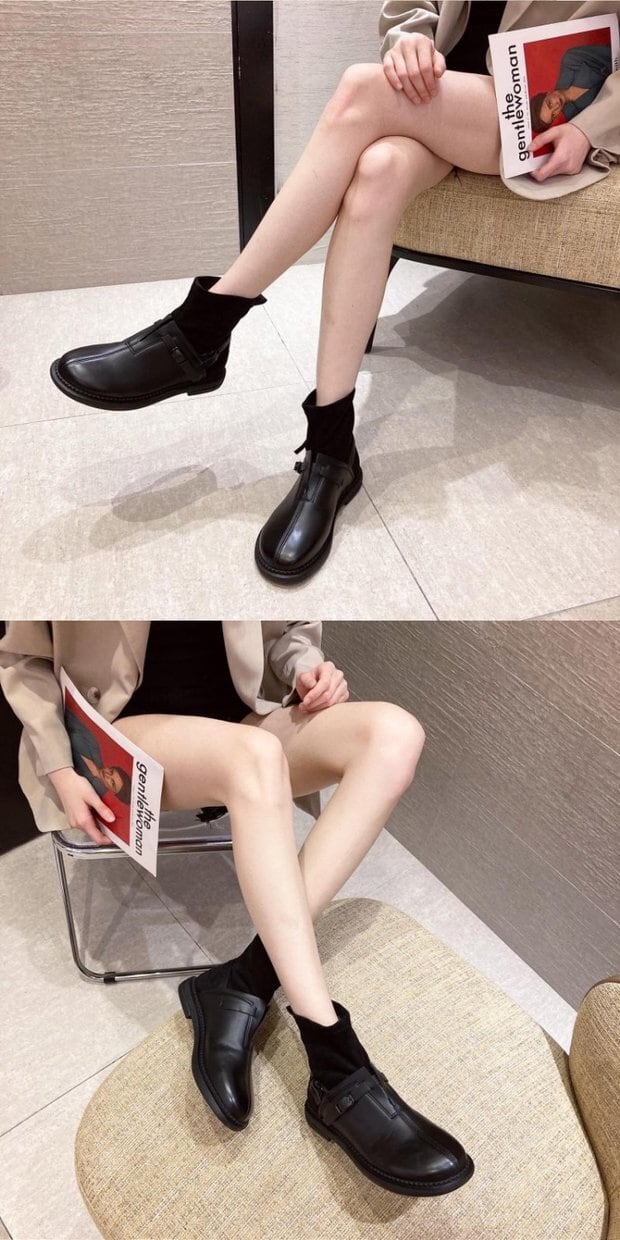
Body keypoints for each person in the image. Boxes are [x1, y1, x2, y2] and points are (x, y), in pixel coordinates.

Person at [48, 2, 620, 585]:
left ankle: (200, 332)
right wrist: (411, 38)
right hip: (444, 97)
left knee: (360, 89)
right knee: (377, 172)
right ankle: (331, 450)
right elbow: (415, 5)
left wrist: (590, 126)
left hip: (542, 115)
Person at [0, 619, 473, 1197]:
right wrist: (58, 766)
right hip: (121, 738)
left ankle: (244, 980)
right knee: (254, 757)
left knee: (394, 735)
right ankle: (334, 1060)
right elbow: (23, 659)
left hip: (244, 723)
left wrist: (307, 669)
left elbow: (288, 630)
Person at [529, 41, 613, 132]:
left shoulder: (571, 60)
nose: (557, 107)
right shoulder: (577, 120)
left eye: (550, 103)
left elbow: (610, 54)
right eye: (553, 115)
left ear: (547, 94)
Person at [64, 703, 132, 803]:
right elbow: (70, 715)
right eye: (111, 771)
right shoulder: (94, 746)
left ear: (113, 792)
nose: (107, 774)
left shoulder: (92, 792)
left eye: (112, 782)